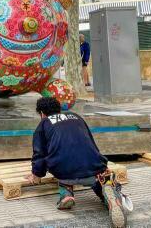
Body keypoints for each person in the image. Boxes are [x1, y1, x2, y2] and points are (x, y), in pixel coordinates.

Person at [26, 97, 127, 227]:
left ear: (41, 113)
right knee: (98, 180)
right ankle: (109, 197)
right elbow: (90, 142)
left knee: (64, 168)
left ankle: (66, 194)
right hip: (94, 167)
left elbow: (39, 154)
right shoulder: (76, 117)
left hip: (65, 172)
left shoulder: (44, 124)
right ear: (59, 109)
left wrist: (37, 175)